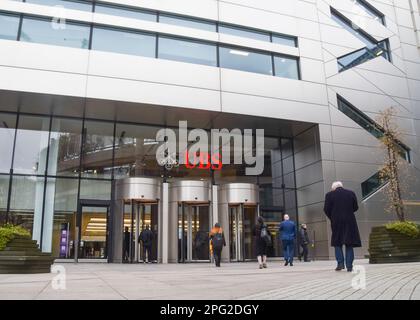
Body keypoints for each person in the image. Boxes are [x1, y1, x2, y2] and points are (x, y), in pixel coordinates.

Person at [324, 181, 361, 272]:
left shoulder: (329, 195)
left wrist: (332, 217)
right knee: (349, 243)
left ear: (333, 188)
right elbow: (355, 207)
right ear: (341, 186)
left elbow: (326, 209)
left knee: (337, 243)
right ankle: (349, 266)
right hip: (349, 221)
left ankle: (340, 264)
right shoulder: (351, 193)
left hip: (336, 222)